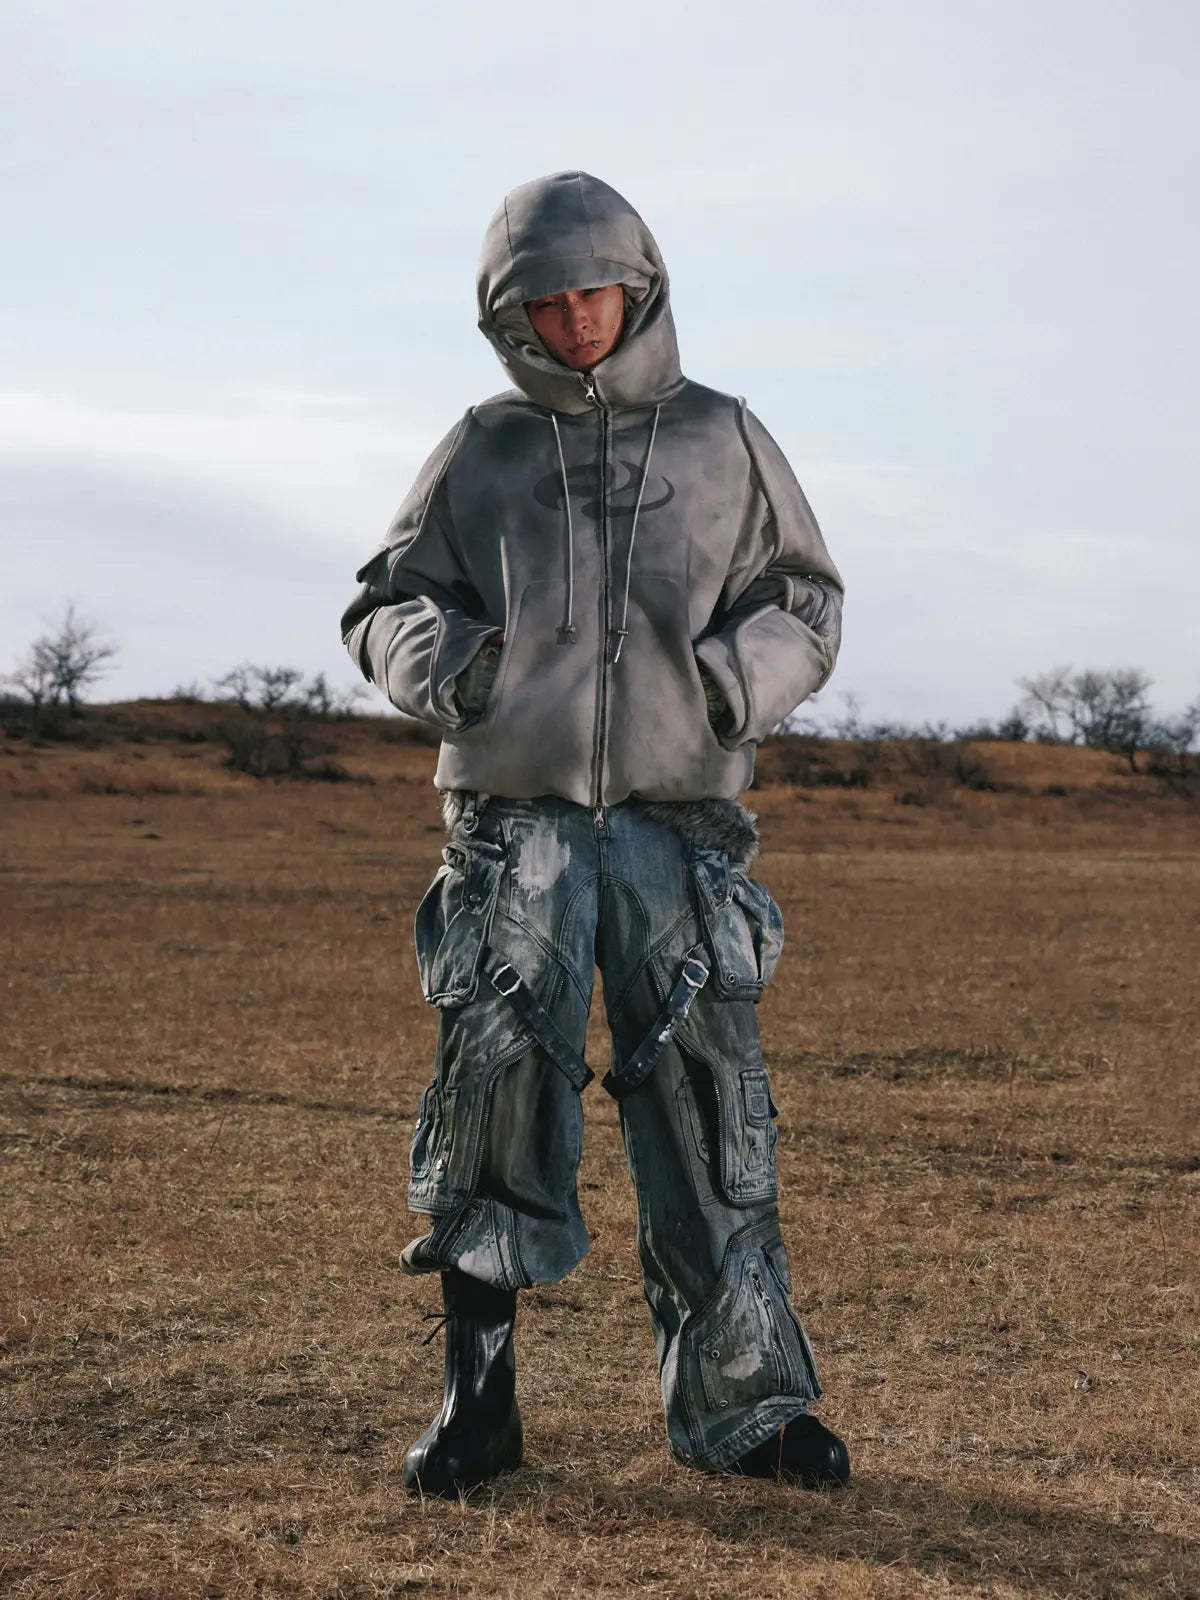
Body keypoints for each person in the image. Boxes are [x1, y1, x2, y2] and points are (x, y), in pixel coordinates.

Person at [340, 171, 849, 1497]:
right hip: (515, 829)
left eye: (597, 294)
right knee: (492, 1098)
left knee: (708, 1107)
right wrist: (460, 669)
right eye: (548, 302)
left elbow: (805, 596)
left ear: (643, 285)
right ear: (510, 314)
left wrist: (733, 683)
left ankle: (746, 1411)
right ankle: (478, 1404)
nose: (576, 321)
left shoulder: (724, 438)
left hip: (681, 829)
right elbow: (385, 602)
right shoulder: (483, 446)